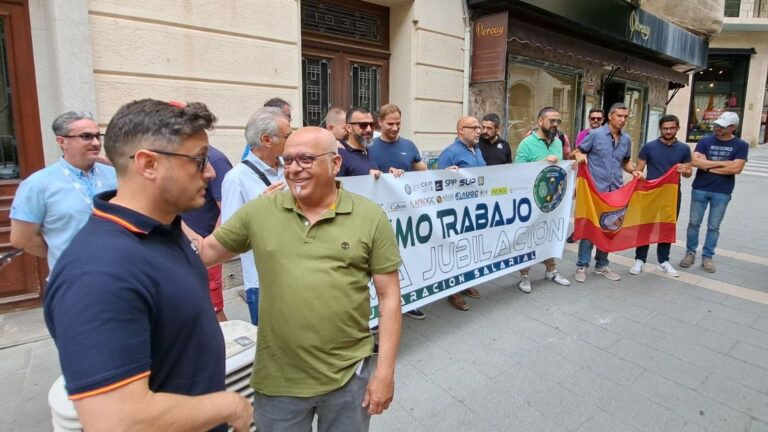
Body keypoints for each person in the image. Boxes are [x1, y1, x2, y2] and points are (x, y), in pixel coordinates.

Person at [43, 99, 252, 431]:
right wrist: (228, 404)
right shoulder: (98, 272)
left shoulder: (165, 231)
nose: (210, 173)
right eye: (199, 161)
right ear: (148, 164)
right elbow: (116, 420)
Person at [196, 127, 402, 432]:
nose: (293, 169)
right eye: (287, 160)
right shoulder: (262, 209)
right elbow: (205, 252)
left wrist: (384, 373)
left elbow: (389, 297)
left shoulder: (369, 217)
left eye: (305, 159)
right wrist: (162, 211)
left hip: (348, 377)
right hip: (278, 380)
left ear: (334, 164)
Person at [10, 111, 117, 272]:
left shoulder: (116, 175)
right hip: (72, 277)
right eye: (86, 136)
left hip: (120, 272)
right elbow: (22, 239)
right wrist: (62, 253)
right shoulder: (37, 184)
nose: (96, 143)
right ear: (62, 141)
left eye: (97, 136)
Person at [221, 107, 289, 325]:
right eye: (287, 136)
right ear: (267, 139)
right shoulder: (236, 179)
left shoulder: (290, 169)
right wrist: (262, 209)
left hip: (298, 272)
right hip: (264, 281)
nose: (292, 139)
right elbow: (232, 238)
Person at [368, 103, 427, 320]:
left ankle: (410, 301)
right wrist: (385, 174)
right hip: (378, 215)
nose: (394, 128)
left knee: (408, 256)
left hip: (406, 214)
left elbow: (423, 172)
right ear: (380, 122)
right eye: (390, 123)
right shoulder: (370, 146)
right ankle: (379, 306)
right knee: (382, 262)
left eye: (398, 123)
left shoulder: (409, 145)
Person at [572, 102, 641, 283]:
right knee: (590, 229)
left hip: (615, 192)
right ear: (610, 116)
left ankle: (601, 265)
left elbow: (625, 162)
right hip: (594, 191)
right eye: (619, 116)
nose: (622, 120)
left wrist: (633, 171)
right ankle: (582, 265)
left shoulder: (626, 140)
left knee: (609, 228)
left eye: (625, 117)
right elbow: (578, 151)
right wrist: (579, 155)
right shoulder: (595, 135)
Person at [680, 111, 748, 273]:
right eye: (717, 125)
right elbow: (695, 161)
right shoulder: (705, 141)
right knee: (693, 223)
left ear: (732, 128)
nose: (717, 128)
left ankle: (707, 256)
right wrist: (725, 164)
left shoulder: (741, 145)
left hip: (722, 191)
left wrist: (707, 165)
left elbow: (736, 168)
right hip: (700, 188)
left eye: (721, 126)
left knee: (714, 226)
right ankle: (690, 253)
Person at [514, 107, 572, 293]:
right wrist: (543, 162)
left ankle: (551, 270)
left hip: (552, 200)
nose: (555, 125)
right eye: (551, 121)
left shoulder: (558, 142)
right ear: (540, 121)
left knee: (549, 234)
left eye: (558, 121)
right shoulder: (527, 143)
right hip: (531, 200)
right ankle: (524, 275)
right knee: (529, 236)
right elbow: (517, 171)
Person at [629, 115, 692, 277]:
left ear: (678, 128)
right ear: (660, 129)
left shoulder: (684, 149)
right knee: (645, 226)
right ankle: (639, 259)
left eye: (672, 128)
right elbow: (639, 169)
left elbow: (688, 173)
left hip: (672, 194)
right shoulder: (649, 147)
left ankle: (663, 260)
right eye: (665, 128)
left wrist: (684, 170)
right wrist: (637, 174)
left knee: (667, 225)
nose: (669, 131)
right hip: (650, 193)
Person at [437, 115, 485, 310]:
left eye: (479, 127)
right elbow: (438, 184)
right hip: (457, 212)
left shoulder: (477, 150)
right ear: (460, 131)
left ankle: (466, 283)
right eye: (473, 127)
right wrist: (447, 174)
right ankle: (453, 292)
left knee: (470, 248)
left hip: (476, 209)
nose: (478, 131)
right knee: (455, 249)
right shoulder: (449, 153)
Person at [181, 144, 233, 321]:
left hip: (203, 247)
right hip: (190, 248)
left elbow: (226, 211)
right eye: (199, 161)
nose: (211, 173)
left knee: (212, 309)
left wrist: (212, 243)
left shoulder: (217, 159)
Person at [567, 108, 605, 243]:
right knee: (581, 206)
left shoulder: (608, 135)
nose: (595, 120)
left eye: (598, 118)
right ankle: (577, 231)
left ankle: (597, 231)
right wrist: (578, 155)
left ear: (603, 119)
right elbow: (576, 152)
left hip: (600, 178)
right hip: (584, 176)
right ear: (588, 119)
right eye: (593, 118)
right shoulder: (582, 134)